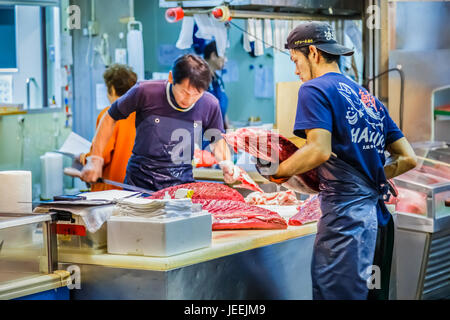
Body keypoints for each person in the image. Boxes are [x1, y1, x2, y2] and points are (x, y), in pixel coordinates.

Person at [257, 22, 417, 300]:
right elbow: (408, 158)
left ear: (313, 53)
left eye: (296, 60)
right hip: (374, 224)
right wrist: (374, 176)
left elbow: (318, 150)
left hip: (344, 226)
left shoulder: (314, 89)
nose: (296, 70)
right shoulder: (369, 98)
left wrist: (278, 173)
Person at [80, 54, 238, 191]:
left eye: (196, 94)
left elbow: (216, 140)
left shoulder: (210, 104)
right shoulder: (145, 91)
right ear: (171, 78)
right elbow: (110, 117)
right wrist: (95, 159)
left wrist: (226, 163)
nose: (188, 100)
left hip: (181, 186)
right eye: (184, 92)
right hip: (139, 184)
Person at [78, 64, 137, 191]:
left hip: (112, 191)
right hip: (136, 189)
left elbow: (102, 156)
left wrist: (84, 158)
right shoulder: (142, 114)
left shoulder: (109, 116)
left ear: (112, 89)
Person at [203, 41, 229, 129]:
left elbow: (222, 107)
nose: (226, 59)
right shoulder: (199, 79)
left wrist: (229, 131)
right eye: (224, 55)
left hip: (218, 132)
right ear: (213, 56)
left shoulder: (218, 80)